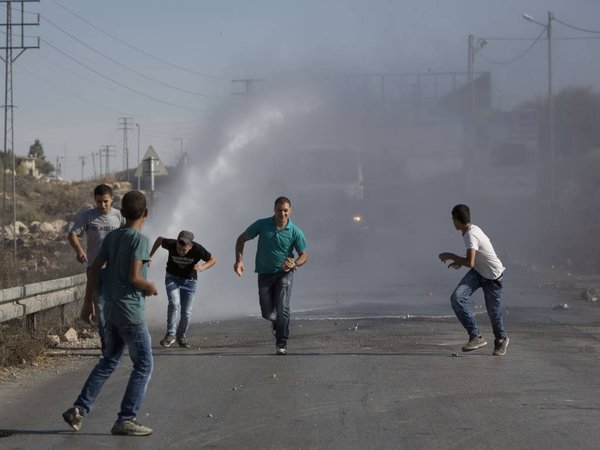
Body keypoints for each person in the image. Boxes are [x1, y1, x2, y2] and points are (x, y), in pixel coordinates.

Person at [62, 190, 158, 436]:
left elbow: (94, 268)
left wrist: (87, 303)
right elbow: (134, 277)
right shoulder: (140, 240)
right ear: (146, 213)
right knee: (144, 365)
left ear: (121, 213)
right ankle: (126, 418)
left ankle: (79, 409)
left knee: (109, 361)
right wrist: (149, 286)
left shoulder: (114, 237)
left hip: (112, 310)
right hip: (130, 313)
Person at [234, 196, 308, 355]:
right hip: (264, 273)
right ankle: (276, 322)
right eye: (279, 210)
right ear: (274, 210)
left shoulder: (295, 231)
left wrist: (294, 263)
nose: (282, 214)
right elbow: (241, 239)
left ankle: (281, 342)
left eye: (285, 210)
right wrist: (239, 261)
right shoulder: (262, 224)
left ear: (290, 211)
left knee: (283, 308)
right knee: (267, 312)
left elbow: (304, 255)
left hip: (284, 274)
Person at [438, 204, 509, 356]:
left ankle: (501, 340)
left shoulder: (471, 234)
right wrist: (459, 262)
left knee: (493, 312)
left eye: (453, 219)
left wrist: (450, 255)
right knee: (457, 298)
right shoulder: (469, 231)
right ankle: (475, 336)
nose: (452, 222)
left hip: (492, 276)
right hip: (478, 272)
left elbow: (469, 262)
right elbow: (473, 261)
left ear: (457, 220)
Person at [68, 183, 124, 350]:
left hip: (115, 269)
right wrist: (78, 250)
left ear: (111, 199)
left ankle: (116, 336)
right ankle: (105, 342)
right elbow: (72, 234)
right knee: (99, 307)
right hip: (94, 269)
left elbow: (130, 234)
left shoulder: (119, 216)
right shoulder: (87, 216)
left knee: (115, 305)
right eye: (99, 201)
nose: (102, 205)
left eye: (105, 201)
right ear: (95, 200)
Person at [149, 230, 216, 349]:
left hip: (189, 281)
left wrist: (203, 267)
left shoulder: (198, 249)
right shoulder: (171, 243)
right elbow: (160, 239)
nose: (180, 251)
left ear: (190, 246)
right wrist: (150, 256)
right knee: (174, 303)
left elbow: (213, 259)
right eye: (178, 248)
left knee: (186, 312)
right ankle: (170, 334)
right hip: (172, 278)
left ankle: (181, 336)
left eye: (183, 250)